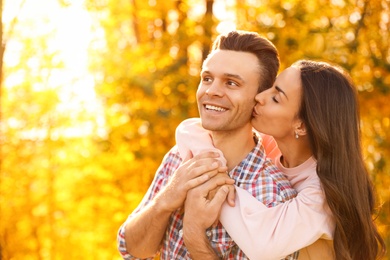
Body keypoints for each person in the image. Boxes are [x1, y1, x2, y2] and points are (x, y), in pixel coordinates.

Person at [116, 30, 299, 259]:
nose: (211, 91)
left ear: (259, 99)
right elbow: (131, 250)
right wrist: (165, 200)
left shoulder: (274, 198)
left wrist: (194, 232)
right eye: (207, 79)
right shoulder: (181, 156)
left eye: (231, 83)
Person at [178, 60, 386, 259]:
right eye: (272, 87)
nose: (260, 96)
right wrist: (213, 164)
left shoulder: (323, 195)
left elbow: (263, 245)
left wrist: (214, 184)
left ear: (302, 126)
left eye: (276, 98)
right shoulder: (271, 146)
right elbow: (189, 128)